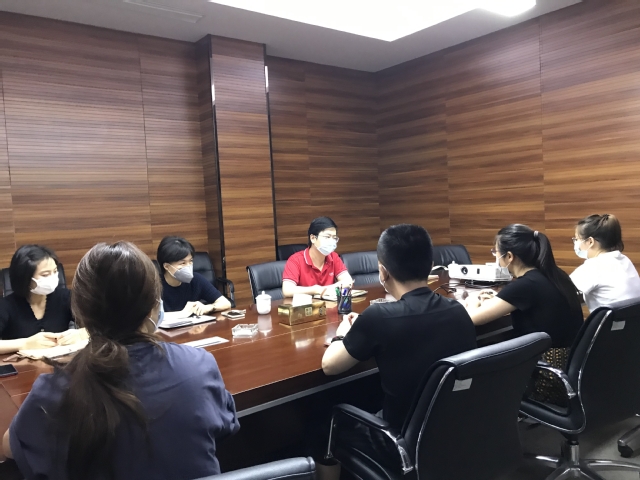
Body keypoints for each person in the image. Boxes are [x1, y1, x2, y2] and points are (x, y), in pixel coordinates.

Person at [2, 241, 239, 479]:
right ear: (154, 307)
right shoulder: (199, 365)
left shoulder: (52, 391)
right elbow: (226, 423)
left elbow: (9, 447)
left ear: (82, 313)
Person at [321, 224, 476, 472]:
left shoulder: (378, 317)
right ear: (430, 266)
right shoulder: (457, 311)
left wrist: (342, 334)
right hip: (455, 433)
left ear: (383, 272)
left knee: (320, 423)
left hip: (399, 442)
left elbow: (329, 365)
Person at [465, 224, 584, 405]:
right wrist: (499, 299)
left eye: (495, 252)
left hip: (546, 380)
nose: (495, 257)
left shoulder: (525, 285)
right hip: (570, 373)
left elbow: (472, 319)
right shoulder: (556, 275)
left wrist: (472, 301)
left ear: (509, 256)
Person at [0, 245, 86, 354]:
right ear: (25, 278)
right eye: (45, 274)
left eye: (55, 271)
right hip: (22, 364)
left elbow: (100, 326)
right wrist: (25, 343)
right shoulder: (5, 306)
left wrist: (80, 334)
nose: (53, 277)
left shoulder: (65, 297)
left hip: (60, 362)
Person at [570, 214, 640, 312]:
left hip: (608, 321)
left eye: (577, 239)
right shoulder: (624, 260)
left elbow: (561, 291)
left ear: (590, 241)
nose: (575, 243)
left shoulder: (593, 266)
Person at [157, 236, 231, 316]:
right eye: (183, 263)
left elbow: (226, 303)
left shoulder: (196, 279)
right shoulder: (154, 286)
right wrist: (182, 314)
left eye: (191, 261)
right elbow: (151, 318)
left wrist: (208, 307)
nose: (188, 266)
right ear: (167, 266)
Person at [282, 217, 353, 297]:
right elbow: (287, 290)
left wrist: (327, 289)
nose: (332, 241)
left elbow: (348, 281)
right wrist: (316, 290)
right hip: (307, 304)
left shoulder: (333, 256)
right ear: (313, 238)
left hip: (329, 303)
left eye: (334, 238)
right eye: (327, 237)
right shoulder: (295, 260)